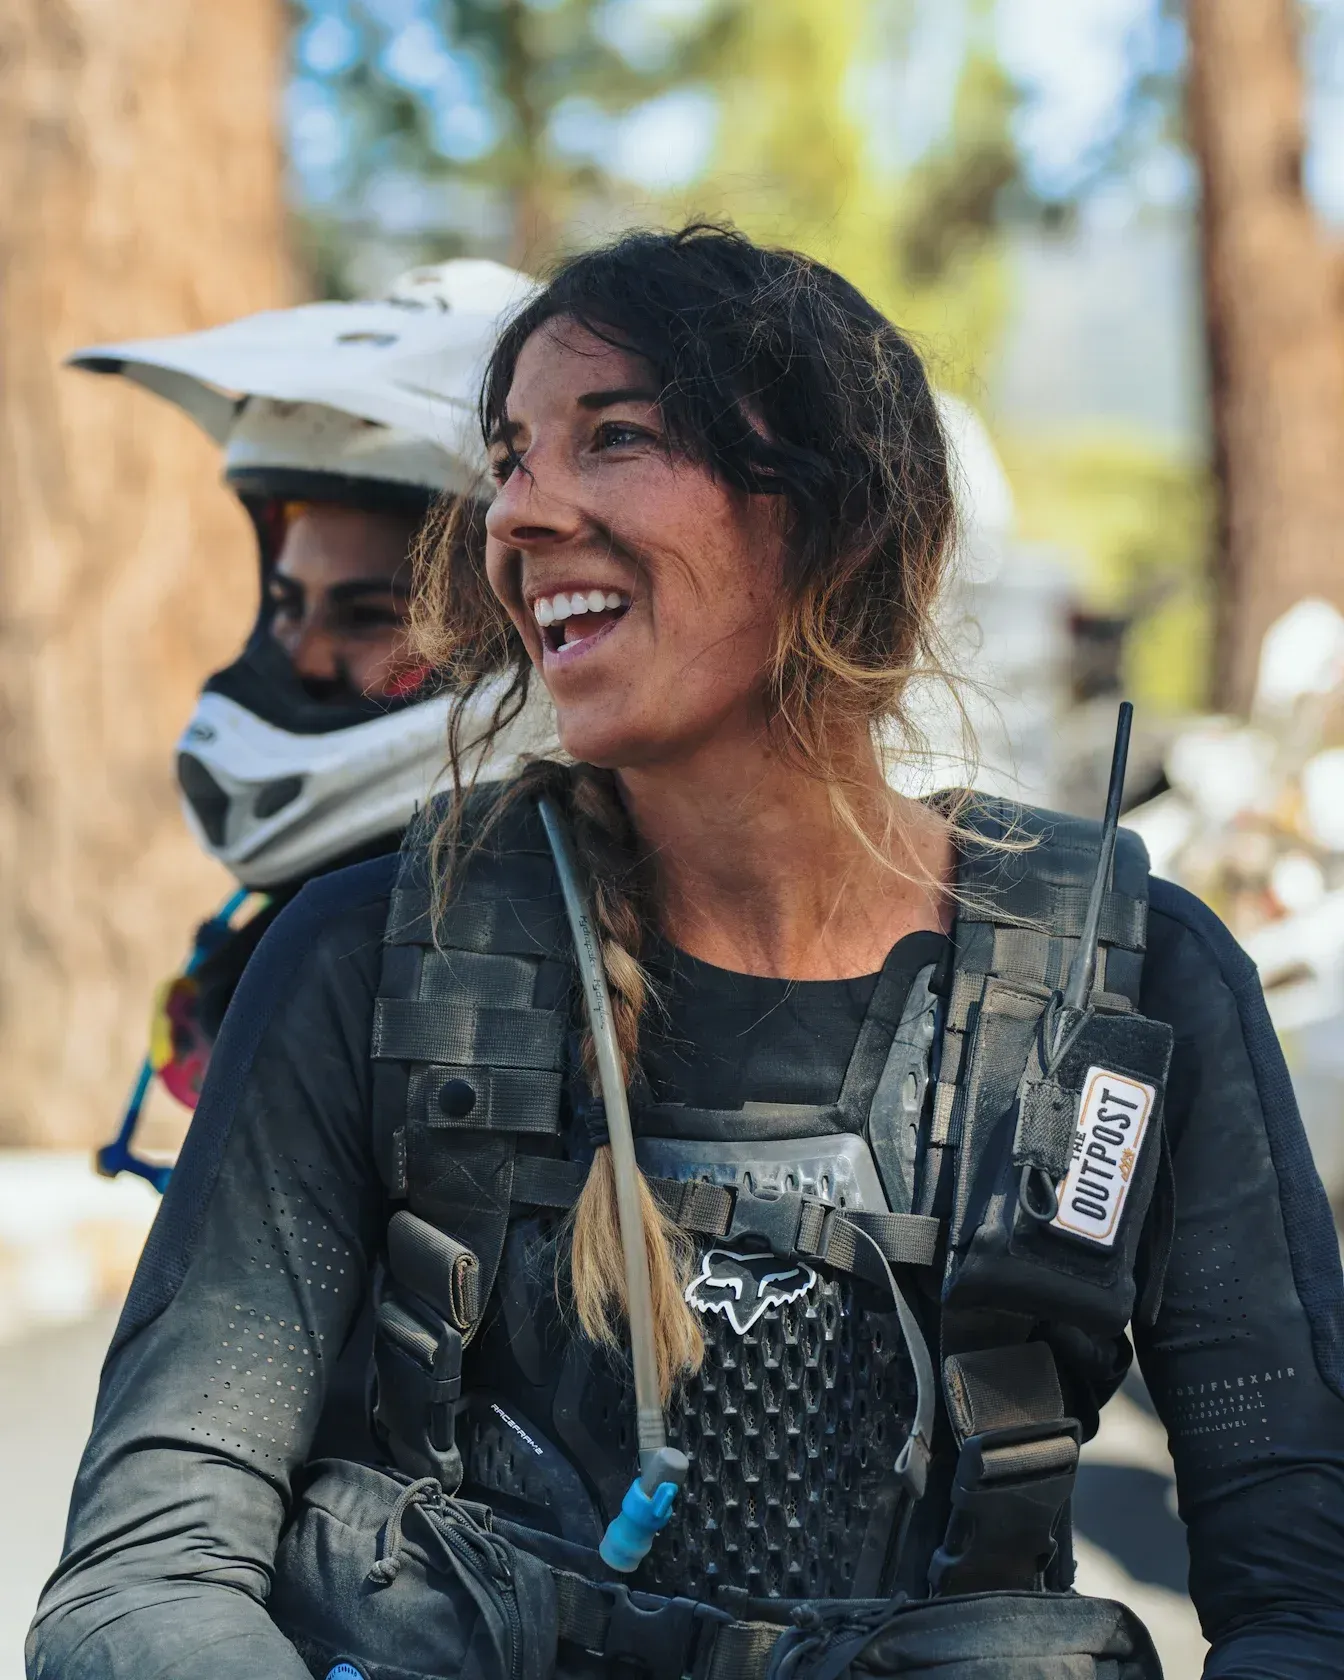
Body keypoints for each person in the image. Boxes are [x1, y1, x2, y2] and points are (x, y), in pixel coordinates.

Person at [30, 226, 1344, 1680]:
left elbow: (1309, 1593)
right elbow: (147, 1569)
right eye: (513, 455)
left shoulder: (1137, 984)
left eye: (616, 438)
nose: (518, 513)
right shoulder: (366, 960)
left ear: (837, 516)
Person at [69, 261, 550, 1143]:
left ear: (514, 627)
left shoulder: (535, 940)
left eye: (368, 615)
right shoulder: (319, 918)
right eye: (287, 608)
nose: (303, 657)